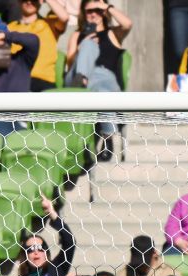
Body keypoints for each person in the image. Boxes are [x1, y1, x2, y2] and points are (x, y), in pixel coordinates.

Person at [64, 1, 132, 161]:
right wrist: (82, 48)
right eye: (89, 11)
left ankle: (106, 137)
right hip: (77, 77)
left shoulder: (112, 34)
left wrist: (107, 7)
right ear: (83, 14)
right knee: (88, 45)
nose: (93, 14)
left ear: (104, 13)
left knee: (101, 87)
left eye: (98, 10)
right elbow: (69, 63)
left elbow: (127, 23)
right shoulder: (76, 35)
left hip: (104, 79)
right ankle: (108, 136)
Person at [8, 0, 70, 92]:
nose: (29, 2)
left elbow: (64, 17)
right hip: (16, 78)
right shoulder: (10, 27)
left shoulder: (49, 24)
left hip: (42, 80)